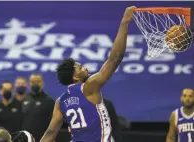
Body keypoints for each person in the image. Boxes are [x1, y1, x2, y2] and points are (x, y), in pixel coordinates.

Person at [40, 6, 136, 142]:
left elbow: (50, 133)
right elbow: (115, 58)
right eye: (80, 68)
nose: (85, 69)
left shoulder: (60, 102)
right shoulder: (89, 87)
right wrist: (124, 23)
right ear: (74, 76)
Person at [22, 73, 55, 142]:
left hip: (43, 138)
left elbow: (54, 122)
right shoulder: (23, 99)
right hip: (26, 139)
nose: (35, 84)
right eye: (33, 82)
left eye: (38, 82)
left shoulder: (49, 101)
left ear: (42, 83)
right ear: (29, 84)